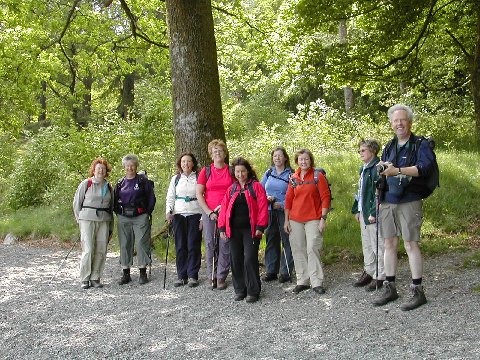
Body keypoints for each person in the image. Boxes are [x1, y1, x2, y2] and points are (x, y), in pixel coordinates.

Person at [373, 104, 435, 310]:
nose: (399, 124)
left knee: (410, 244)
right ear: (391, 124)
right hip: (388, 199)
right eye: (395, 121)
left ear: (410, 122)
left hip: (409, 199)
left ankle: (418, 291)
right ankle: (390, 287)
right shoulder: (389, 146)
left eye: (403, 120)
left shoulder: (420, 144)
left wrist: (398, 170)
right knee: (389, 243)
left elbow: (425, 168)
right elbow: (385, 170)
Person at [218, 157, 269, 303]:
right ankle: (240, 289)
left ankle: (253, 290)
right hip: (234, 231)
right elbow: (224, 210)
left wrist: (260, 226)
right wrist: (222, 227)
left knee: (249, 259)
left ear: (248, 171)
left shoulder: (256, 187)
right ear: (234, 172)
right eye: (237, 171)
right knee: (236, 259)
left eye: (243, 171)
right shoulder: (232, 189)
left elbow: (263, 207)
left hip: (251, 230)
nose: (240, 174)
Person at [284, 149, 331, 295]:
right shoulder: (293, 178)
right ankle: (302, 280)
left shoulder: (318, 176)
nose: (303, 162)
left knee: (312, 248)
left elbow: (325, 198)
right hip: (295, 219)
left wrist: (323, 219)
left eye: (306, 159)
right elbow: (288, 200)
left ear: (311, 160)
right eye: (300, 159)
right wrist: (286, 220)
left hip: (314, 218)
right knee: (298, 249)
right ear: (296, 161)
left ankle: (316, 281)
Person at [196, 139, 234, 290]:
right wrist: (209, 212)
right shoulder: (206, 171)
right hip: (209, 212)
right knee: (211, 243)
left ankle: (221, 277)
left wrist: (225, 208)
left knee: (225, 243)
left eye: (220, 151)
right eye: (214, 151)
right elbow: (199, 193)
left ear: (225, 153)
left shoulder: (231, 171)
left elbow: (236, 190)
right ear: (211, 155)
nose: (217, 153)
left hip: (227, 211)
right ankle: (211, 275)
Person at [114, 154, 156, 285]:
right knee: (125, 243)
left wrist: (147, 213)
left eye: (132, 165)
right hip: (123, 217)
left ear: (136, 166)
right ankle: (126, 273)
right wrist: (118, 213)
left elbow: (151, 197)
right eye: (127, 166)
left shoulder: (143, 181)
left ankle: (142, 272)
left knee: (142, 242)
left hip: (140, 216)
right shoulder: (120, 183)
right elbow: (114, 200)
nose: (130, 168)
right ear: (124, 167)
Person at [73, 158, 114, 289]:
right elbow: (77, 203)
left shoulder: (109, 186)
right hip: (87, 219)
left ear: (106, 171)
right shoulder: (87, 183)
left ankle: (95, 277)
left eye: (103, 169)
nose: (101, 171)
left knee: (101, 249)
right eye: (98, 168)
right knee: (88, 249)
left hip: (104, 220)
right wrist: (79, 219)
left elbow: (111, 207)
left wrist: (111, 227)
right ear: (94, 170)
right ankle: (85, 278)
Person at [351, 139, 386, 291]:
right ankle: (369, 271)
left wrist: (373, 212)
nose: (361, 153)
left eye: (363, 150)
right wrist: (357, 209)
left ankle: (381, 275)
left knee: (378, 245)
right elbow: (361, 192)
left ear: (373, 151)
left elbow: (379, 191)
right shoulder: (363, 168)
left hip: (373, 214)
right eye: (360, 151)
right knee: (367, 244)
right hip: (364, 212)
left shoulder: (377, 168)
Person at [165, 153, 203, 288]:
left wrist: (203, 217)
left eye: (188, 161)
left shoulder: (199, 178)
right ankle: (181, 275)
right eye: (183, 161)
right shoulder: (176, 179)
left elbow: (204, 197)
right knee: (180, 245)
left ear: (193, 163)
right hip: (179, 214)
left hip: (195, 213)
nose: (185, 164)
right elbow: (170, 196)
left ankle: (193, 275)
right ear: (180, 164)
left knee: (193, 245)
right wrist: (168, 212)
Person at [260, 146, 294, 283]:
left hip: (284, 212)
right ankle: (271, 270)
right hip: (270, 211)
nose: (277, 158)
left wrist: (283, 203)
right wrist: (267, 199)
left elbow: (295, 194)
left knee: (287, 240)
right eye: (275, 156)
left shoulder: (291, 174)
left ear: (285, 158)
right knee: (271, 240)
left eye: (280, 156)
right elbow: (260, 190)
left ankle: (285, 272)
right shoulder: (269, 172)